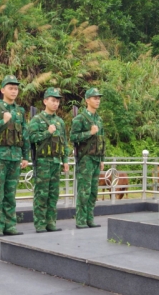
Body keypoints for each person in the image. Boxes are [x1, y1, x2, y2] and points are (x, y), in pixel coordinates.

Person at [0, 75, 30, 238]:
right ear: (3, 90)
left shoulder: (20, 111)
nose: (14, 91)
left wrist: (25, 156)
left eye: (16, 88)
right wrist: (2, 122)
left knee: (10, 194)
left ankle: (10, 225)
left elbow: (24, 134)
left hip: (15, 157)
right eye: (10, 88)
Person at [29, 88, 69, 233]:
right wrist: (47, 132)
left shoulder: (59, 122)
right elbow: (31, 138)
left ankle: (51, 222)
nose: (55, 103)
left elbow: (63, 142)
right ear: (45, 101)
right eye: (53, 100)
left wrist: (65, 160)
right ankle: (40, 224)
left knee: (53, 194)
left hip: (55, 162)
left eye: (57, 101)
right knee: (41, 194)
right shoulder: (37, 120)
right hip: (42, 162)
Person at [70, 88, 105, 229]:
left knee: (93, 191)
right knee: (84, 191)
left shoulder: (99, 119)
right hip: (85, 159)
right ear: (87, 100)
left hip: (96, 158)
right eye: (94, 98)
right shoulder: (80, 118)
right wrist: (89, 133)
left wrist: (102, 158)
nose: (97, 100)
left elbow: (102, 140)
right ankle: (81, 220)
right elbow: (73, 137)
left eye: (98, 98)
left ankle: (90, 218)